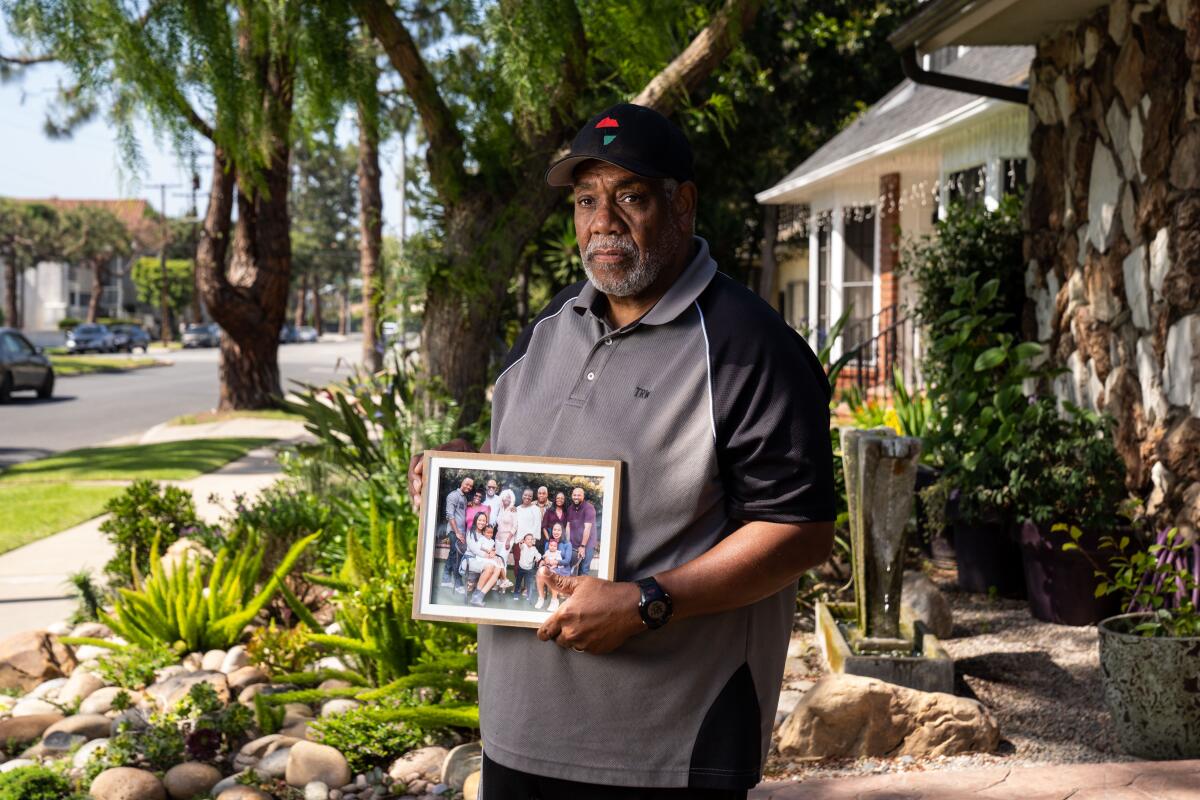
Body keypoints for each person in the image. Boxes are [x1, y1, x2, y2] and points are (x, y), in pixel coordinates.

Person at [410, 103, 834, 798]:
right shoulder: (550, 326)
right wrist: (460, 474)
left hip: (663, 746)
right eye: (585, 200)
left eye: (629, 196)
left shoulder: (747, 347)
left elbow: (799, 532)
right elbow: (523, 460)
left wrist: (646, 603)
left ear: (682, 204)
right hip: (520, 732)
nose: (602, 220)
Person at [440, 476, 473, 593]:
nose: (468, 487)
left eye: (470, 486)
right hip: (455, 532)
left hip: (460, 532)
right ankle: (458, 584)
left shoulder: (463, 498)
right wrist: (457, 533)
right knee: (456, 557)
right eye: (467, 484)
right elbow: (450, 515)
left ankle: (445, 579)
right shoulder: (453, 495)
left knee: (453, 554)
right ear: (461, 483)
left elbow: (460, 513)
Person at [465, 518, 505, 607]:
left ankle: (479, 596)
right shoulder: (471, 533)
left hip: (483, 559)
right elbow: (475, 550)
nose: (481, 522)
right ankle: (476, 595)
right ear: (476, 520)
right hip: (470, 559)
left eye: (483, 520)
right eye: (479, 520)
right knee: (491, 566)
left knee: (498, 567)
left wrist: (493, 555)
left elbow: (491, 549)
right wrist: (490, 555)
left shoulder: (488, 538)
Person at [564, 486, 598, 576]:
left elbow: (587, 528)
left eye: (579, 495)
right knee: (572, 569)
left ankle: (583, 590)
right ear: (572, 496)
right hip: (574, 544)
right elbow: (568, 526)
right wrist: (568, 542)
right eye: (574, 495)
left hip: (587, 545)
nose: (576, 497)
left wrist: (582, 546)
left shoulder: (589, 508)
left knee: (584, 570)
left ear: (583, 496)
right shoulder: (570, 508)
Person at [533, 534, 573, 612]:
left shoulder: (566, 544)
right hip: (549, 566)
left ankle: (554, 600)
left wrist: (555, 563)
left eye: (558, 530)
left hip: (560, 568)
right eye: (554, 530)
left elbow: (566, 561)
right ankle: (541, 598)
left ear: (562, 531)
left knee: (551, 573)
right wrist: (545, 559)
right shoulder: (548, 545)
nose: (556, 532)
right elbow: (545, 556)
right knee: (540, 572)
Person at [514, 533, 541, 602]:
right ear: (525, 541)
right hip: (521, 567)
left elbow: (538, 555)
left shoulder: (534, 548)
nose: (529, 540)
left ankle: (529, 595)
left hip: (529, 569)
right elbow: (520, 546)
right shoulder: (524, 546)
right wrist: (521, 542)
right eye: (528, 539)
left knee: (529, 583)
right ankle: (516, 594)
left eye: (531, 539)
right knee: (518, 582)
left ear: (533, 541)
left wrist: (537, 558)